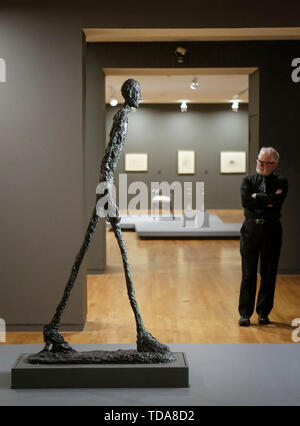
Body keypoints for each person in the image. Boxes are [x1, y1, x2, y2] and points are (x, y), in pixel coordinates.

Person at [238, 147, 288, 326]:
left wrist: (257, 197)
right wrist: (267, 199)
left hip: (272, 231)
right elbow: (246, 202)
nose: (260, 164)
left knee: (269, 273)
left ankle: (263, 312)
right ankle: (245, 313)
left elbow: (277, 203)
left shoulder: (281, 182)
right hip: (250, 230)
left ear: (274, 165)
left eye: (264, 162)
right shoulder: (248, 180)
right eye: (259, 160)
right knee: (248, 273)